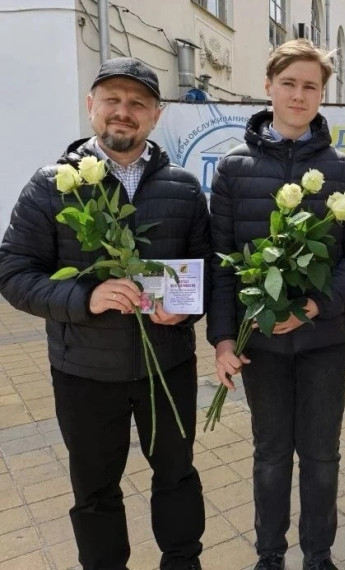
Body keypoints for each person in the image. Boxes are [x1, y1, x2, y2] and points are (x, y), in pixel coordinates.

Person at [0, 58, 210, 570]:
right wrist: (84, 298)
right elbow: (13, 271)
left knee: (177, 476)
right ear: (91, 105)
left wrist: (186, 312)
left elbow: (206, 272)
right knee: (95, 490)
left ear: (155, 115)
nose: (123, 111)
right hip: (84, 372)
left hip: (167, 368)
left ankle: (183, 561)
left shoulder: (183, 187)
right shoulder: (53, 184)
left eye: (137, 102)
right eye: (112, 99)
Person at [207, 39, 345, 570]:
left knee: (322, 454)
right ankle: (270, 554)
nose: (299, 95)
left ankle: (318, 555)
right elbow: (221, 261)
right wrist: (223, 340)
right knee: (271, 453)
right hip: (260, 344)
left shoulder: (343, 170)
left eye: (310, 86)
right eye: (289, 83)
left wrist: (311, 309)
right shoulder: (233, 169)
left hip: (324, 339)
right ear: (268, 87)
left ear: (322, 94)